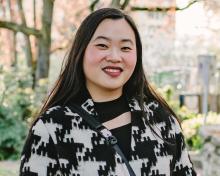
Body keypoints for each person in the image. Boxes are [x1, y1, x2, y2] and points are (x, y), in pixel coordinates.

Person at [19, 8, 196, 176]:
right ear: (81, 52)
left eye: (125, 48)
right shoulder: (53, 126)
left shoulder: (160, 121)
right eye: (103, 45)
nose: (114, 57)